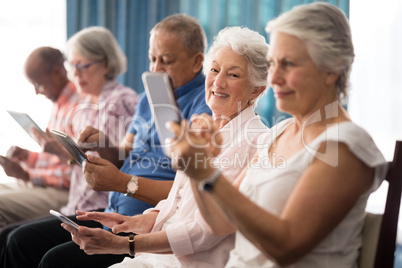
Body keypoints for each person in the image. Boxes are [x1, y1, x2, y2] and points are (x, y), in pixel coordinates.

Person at [166, 3, 389, 268]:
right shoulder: (279, 132)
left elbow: (285, 247)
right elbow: (219, 221)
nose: (275, 78)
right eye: (273, 64)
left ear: (332, 70)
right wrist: (196, 165)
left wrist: (206, 172)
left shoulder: (344, 146)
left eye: (289, 64)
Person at [4, 15, 211, 268]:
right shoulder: (151, 95)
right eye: (152, 58)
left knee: (53, 261)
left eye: (166, 61)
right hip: (113, 214)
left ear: (197, 62)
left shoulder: (205, 107)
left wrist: (122, 182)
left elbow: (188, 190)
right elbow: (124, 153)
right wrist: (104, 144)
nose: (155, 69)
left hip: (145, 223)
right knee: (17, 241)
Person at [61, 26, 269, 268]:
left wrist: (122, 244)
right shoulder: (205, 127)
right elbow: (178, 201)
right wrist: (139, 221)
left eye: (233, 75)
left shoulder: (252, 141)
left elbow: (204, 231)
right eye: (214, 70)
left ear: (257, 89)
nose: (218, 82)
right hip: (156, 254)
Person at [3, 26, 138, 267]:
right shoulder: (86, 104)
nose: (75, 74)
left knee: (18, 242)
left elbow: (120, 165)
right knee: (11, 238)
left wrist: (61, 152)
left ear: (105, 64)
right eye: (72, 66)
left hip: (101, 207)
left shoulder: (120, 101)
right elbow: (80, 163)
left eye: (82, 66)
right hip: (78, 205)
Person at [0, 47, 80, 227]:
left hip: (66, 191)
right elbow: (56, 159)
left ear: (58, 72)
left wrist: (27, 175)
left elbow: (76, 170)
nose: (37, 92)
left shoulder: (79, 107)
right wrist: (28, 157)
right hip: (47, 184)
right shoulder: (60, 102)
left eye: (38, 84)